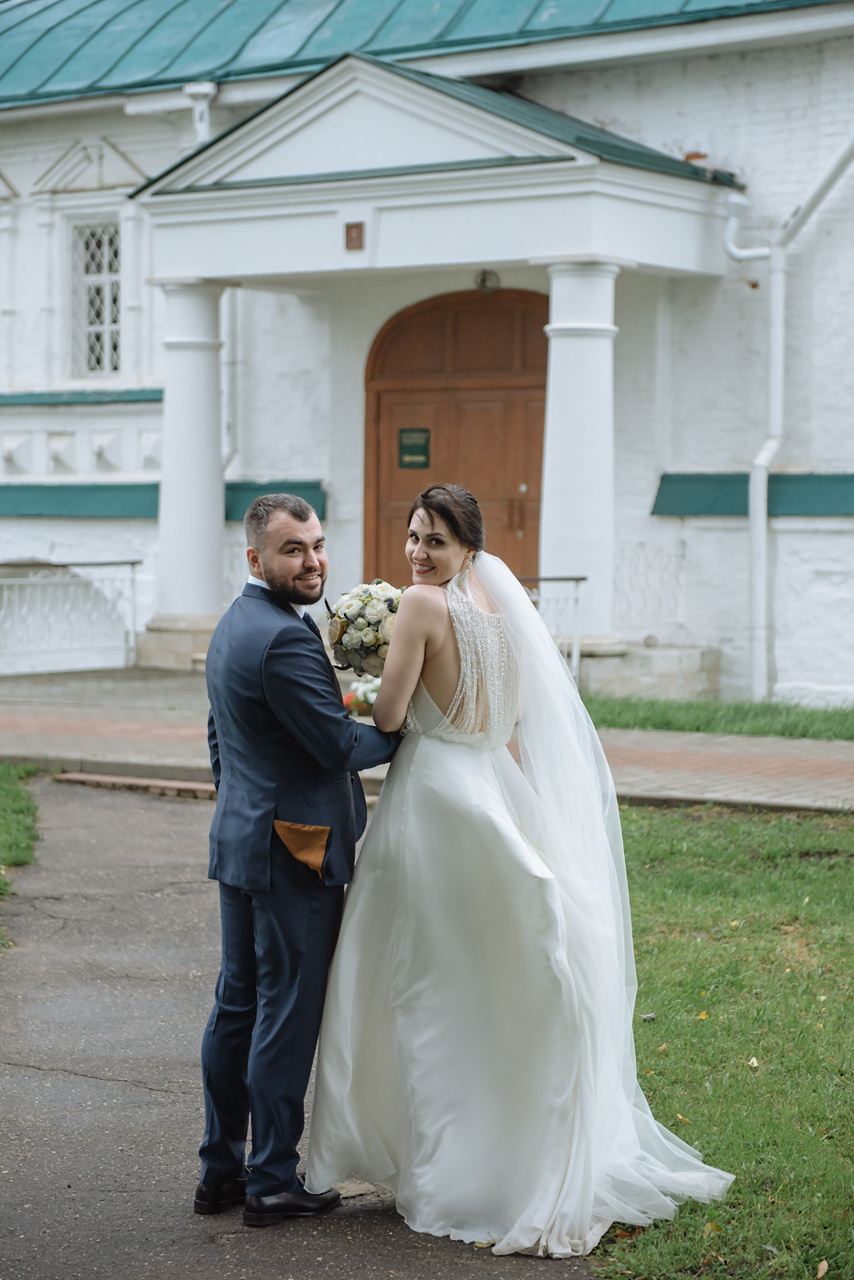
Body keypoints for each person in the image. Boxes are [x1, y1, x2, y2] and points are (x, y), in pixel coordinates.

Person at [305, 483, 733, 1257]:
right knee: (477, 975)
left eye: (435, 540)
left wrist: (362, 678)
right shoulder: (506, 613)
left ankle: (443, 1163)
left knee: (423, 980)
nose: (418, 553)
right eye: (413, 536)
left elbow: (393, 717)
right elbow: (512, 718)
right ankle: (502, 1150)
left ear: (467, 546)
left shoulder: (421, 606)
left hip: (434, 795)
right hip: (490, 785)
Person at [196, 493, 400, 1228]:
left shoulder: (236, 623)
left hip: (243, 839)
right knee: (284, 1012)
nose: (312, 561)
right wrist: (411, 727)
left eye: (316, 545)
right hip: (295, 852)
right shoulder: (282, 637)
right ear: (256, 557)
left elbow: (220, 739)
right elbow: (339, 746)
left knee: (238, 1004)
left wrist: (243, 806)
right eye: (293, 550)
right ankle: (273, 1179)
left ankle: (221, 1171)